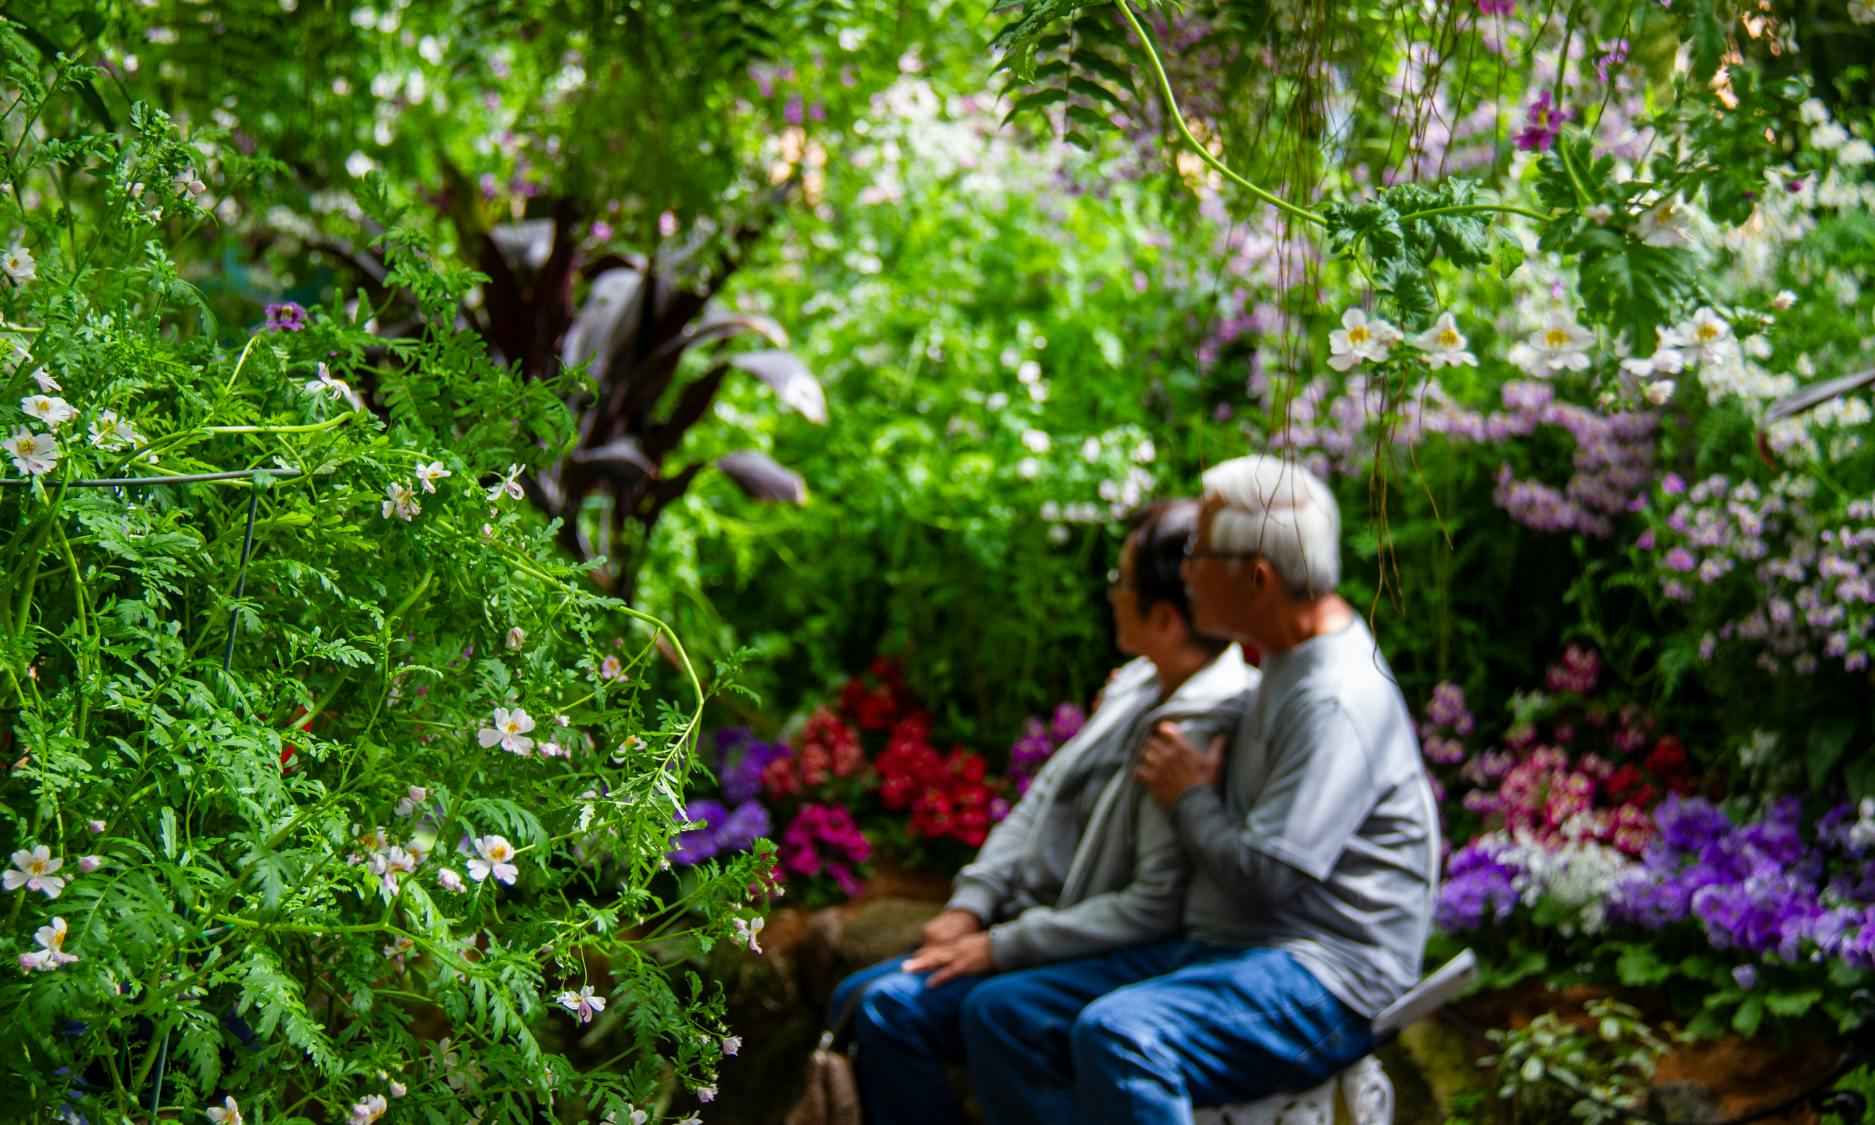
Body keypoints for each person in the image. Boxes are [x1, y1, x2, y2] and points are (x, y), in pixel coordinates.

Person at [960, 454, 1439, 1125]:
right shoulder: (1280, 654)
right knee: (1005, 1012)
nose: (1184, 572)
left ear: (1256, 577)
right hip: (1230, 950)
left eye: (1198, 552)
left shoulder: (1336, 697)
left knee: (1124, 1033)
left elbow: (1267, 879)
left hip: (1326, 979)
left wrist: (1187, 795)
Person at [827, 499, 1258, 1125]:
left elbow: (1151, 906)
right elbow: (1041, 797)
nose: (1110, 594)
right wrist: (968, 905)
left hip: (1088, 954)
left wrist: (999, 946)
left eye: (1121, 582)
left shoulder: (1196, 726)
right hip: (1034, 927)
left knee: (892, 1011)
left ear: (1165, 616)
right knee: (853, 996)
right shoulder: (1139, 682)